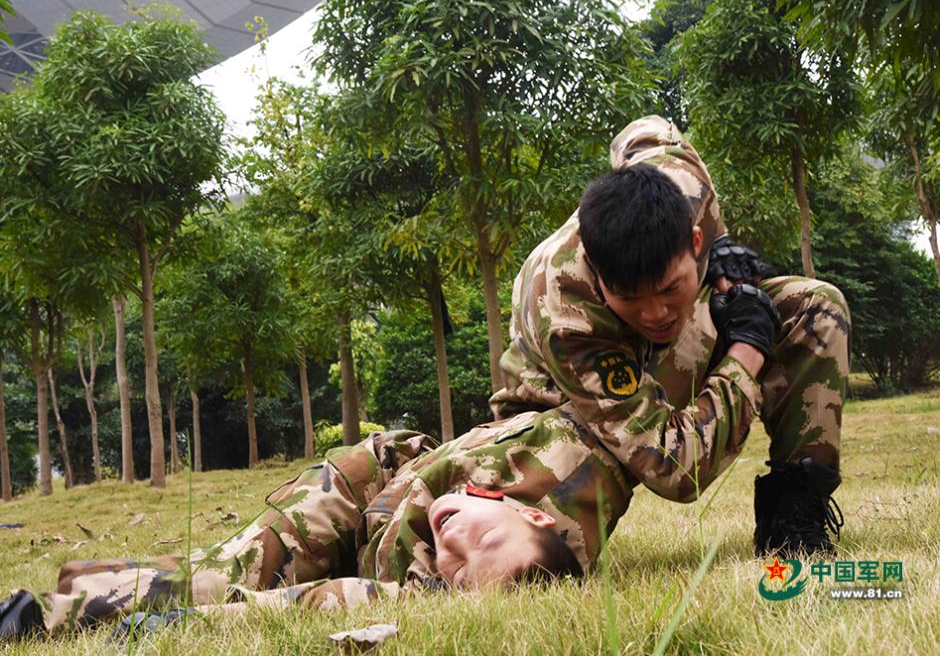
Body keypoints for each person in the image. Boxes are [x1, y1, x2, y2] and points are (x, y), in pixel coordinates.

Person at [490, 115, 848, 558]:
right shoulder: (567, 311)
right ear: (600, 280)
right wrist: (747, 349)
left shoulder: (683, 182)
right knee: (531, 552)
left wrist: (720, 247)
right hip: (562, 413)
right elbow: (676, 468)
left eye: (669, 288)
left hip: (661, 348)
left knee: (816, 307)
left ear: (693, 239)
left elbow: (642, 129)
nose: (656, 313)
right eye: (631, 299)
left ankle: (795, 522)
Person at [1, 407, 629, 641]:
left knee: (337, 596)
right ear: (523, 509)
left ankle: (79, 601)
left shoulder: (483, 574)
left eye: (460, 569)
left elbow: (331, 602)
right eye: (483, 537)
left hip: (383, 554)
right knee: (246, 567)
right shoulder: (551, 467)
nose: (456, 542)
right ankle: (63, 605)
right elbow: (424, 481)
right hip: (371, 489)